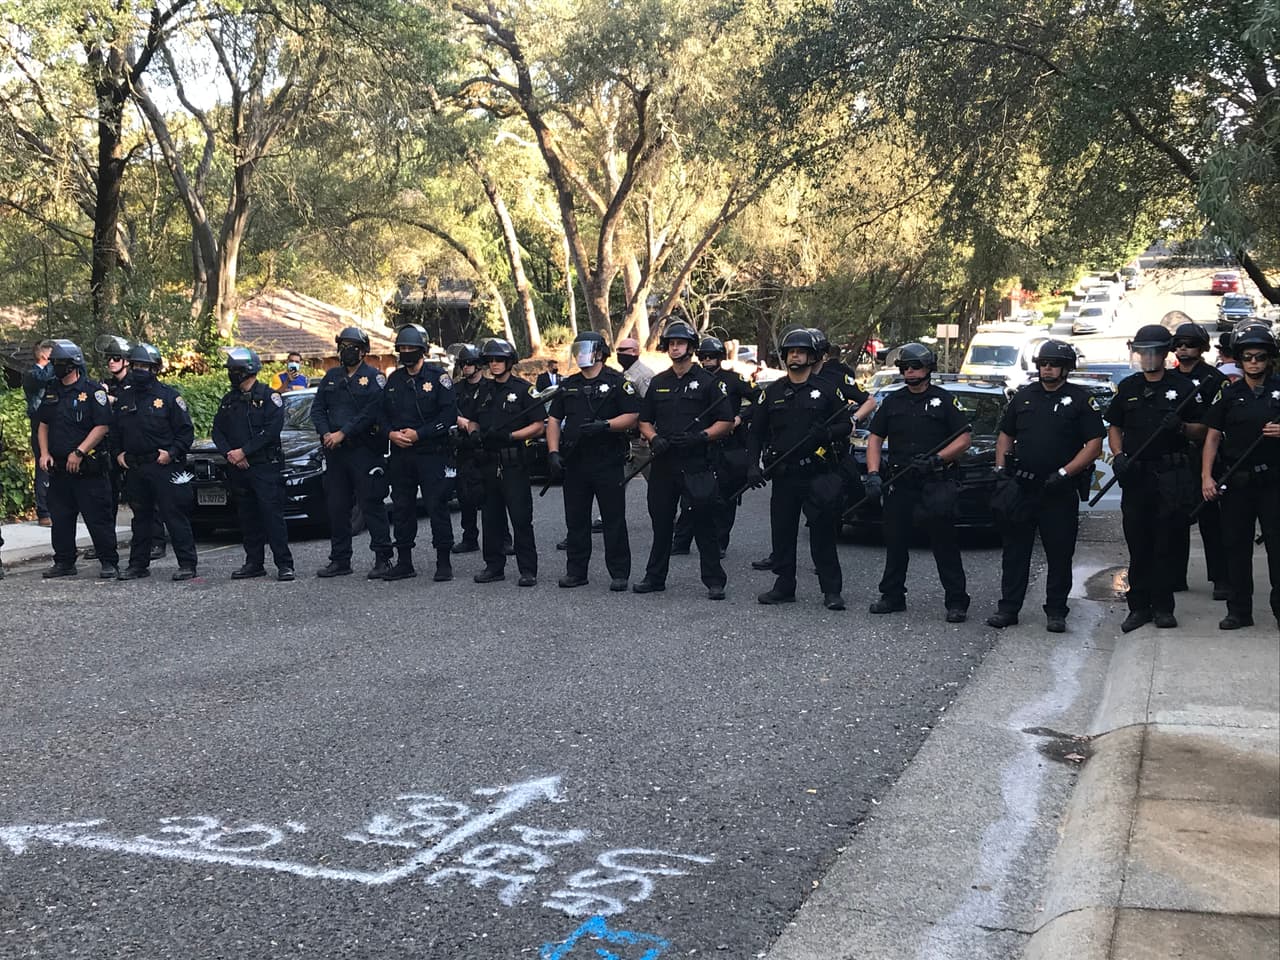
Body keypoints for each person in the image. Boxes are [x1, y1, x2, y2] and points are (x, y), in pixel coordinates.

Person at [986, 340, 1105, 632]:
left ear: (1066, 368)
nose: (1046, 368)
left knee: (1059, 553)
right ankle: (1008, 609)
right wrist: (1002, 470)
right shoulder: (1025, 397)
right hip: (1022, 487)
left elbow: (1094, 445)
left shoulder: (1079, 400)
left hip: (1058, 490)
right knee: (1015, 553)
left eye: (1052, 364)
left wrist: (1065, 472)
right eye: (1043, 364)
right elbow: (1005, 435)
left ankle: (1056, 611)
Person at [1106, 324, 1205, 631]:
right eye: (1142, 353)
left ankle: (1163, 607)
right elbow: (1114, 426)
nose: (1147, 358)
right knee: (1138, 543)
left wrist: (1181, 426)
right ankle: (1138, 607)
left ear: (1164, 353)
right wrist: (1119, 456)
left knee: (1165, 544)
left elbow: (1202, 430)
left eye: (1152, 353)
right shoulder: (1130, 387)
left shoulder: (1184, 388)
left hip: (1169, 476)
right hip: (1137, 476)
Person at [864, 342, 972, 621]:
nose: (910, 372)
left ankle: (956, 601)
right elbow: (875, 438)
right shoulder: (893, 401)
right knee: (896, 542)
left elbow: (963, 439)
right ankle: (892, 596)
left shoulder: (944, 401)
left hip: (935, 481)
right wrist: (873, 474)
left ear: (928, 368)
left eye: (916, 367)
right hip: (901, 480)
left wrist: (938, 459)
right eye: (905, 368)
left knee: (944, 543)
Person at [746, 327, 850, 610]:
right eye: (791, 351)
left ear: (812, 356)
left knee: (822, 534)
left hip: (817, 473)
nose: (795, 355)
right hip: (784, 474)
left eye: (801, 351)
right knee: (782, 533)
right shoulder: (773, 392)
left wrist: (825, 435)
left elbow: (846, 425)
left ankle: (831, 591)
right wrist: (752, 465)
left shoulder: (827, 390)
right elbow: (756, 432)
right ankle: (784, 586)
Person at [634, 318, 734, 600]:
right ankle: (654, 577)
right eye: (671, 343)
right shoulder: (659, 382)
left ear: (691, 347)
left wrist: (701, 436)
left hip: (696, 463)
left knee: (704, 523)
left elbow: (726, 421)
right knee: (661, 522)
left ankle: (715, 581)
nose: (675, 347)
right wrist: (654, 438)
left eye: (680, 343)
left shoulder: (708, 382)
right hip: (664, 462)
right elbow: (644, 421)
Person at [545, 331, 640, 591]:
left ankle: (619, 573)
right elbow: (554, 420)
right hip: (575, 462)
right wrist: (553, 452)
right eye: (578, 349)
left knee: (613, 520)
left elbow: (633, 415)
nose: (580, 354)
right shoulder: (568, 385)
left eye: (585, 349)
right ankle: (576, 572)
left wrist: (606, 426)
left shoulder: (618, 382)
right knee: (575, 520)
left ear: (599, 352)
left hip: (607, 461)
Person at [1200, 323, 1280, 630]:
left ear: (1269, 358)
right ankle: (1239, 610)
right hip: (1237, 482)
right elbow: (1212, 437)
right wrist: (1207, 477)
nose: (1254, 362)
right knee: (1235, 546)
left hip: (1274, 481)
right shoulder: (1230, 394)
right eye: (1248, 357)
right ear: (1240, 360)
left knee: (1278, 548)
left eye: (1260, 356)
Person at [310, 326, 394, 579]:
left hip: (364, 451)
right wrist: (327, 433)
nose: (347, 351)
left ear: (364, 351)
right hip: (335, 452)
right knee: (337, 507)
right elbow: (317, 409)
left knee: (371, 504)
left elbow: (370, 413)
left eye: (353, 347)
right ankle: (340, 559)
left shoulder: (375, 378)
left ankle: (383, 558)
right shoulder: (331, 377)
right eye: (343, 346)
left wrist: (343, 433)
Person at [112, 343, 199, 581]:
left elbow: (185, 433)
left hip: (164, 465)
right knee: (141, 518)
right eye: (136, 365)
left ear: (155, 369)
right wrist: (118, 453)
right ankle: (138, 565)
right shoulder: (124, 397)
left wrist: (171, 453)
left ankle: (187, 564)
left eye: (145, 366)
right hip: (135, 467)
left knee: (174, 515)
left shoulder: (169, 397)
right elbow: (115, 430)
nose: (140, 370)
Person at [461, 337, 544, 586]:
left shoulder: (523, 389)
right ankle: (494, 566)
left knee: (520, 518)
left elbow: (539, 425)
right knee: (490, 518)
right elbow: (472, 418)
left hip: (513, 463)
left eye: (499, 360)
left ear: (510, 362)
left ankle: (527, 570)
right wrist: (474, 433)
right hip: (487, 462)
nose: (494, 364)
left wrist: (511, 436)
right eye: (490, 360)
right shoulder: (483, 391)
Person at [35, 339, 119, 579]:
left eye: (59, 363)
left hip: (87, 469)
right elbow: (43, 424)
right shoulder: (52, 390)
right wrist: (44, 453)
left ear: (73, 365)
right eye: (53, 363)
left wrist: (80, 452)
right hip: (59, 468)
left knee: (98, 518)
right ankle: (64, 562)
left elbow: (102, 426)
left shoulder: (93, 392)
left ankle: (108, 562)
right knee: (60, 518)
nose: (55, 368)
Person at [212, 347, 295, 581]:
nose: (232, 374)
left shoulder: (270, 397)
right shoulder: (229, 400)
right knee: (247, 517)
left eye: (235, 370)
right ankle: (254, 563)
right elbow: (217, 431)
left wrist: (244, 451)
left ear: (248, 371)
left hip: (264, 467)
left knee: (272, 516)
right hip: (238, 468)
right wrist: (230, 453)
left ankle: (284, 564)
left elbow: (271, 432)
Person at [383, 324, 457, 582]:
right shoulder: (393, 380)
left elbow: (448, 415)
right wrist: (390, 433)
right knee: (402, 507)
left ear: (422, 350)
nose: (406, 353)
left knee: (436, 505)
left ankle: (443, 561)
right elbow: (381, 415)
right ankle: (404, 561)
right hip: (401, 454)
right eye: (402, 349)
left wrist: (420, 434)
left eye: (411, 349)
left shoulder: (439, 378)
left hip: (430, 452)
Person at [671, 336, 758, 556]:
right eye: (704, 356)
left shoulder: (734, 379)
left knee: (725, 498)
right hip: (697, 444)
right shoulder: (695, 379)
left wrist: (740, 418)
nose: (708, 360)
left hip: (728, 445)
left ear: (720, 358)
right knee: (690, 495)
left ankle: (719, 543)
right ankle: (681, 542)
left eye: (712, 356)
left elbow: (760, 399)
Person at [1168, 319, 1228, 599]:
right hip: (1176, 459)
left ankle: (1220, 578)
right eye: (1178, 344)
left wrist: (1184, 428)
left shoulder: (1214, 379)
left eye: (1190, 344)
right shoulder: (1168, 378)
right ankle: (1176, 576)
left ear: (1202, 348)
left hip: (1207, 456)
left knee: (1211, 522)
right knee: (1176, 518)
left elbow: (1215, 425)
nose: (1183, 349)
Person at [450, 344, 488, 555]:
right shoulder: (456, 390)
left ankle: (503, 539)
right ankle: (469, 537)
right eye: (462, 363)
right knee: (465, 496)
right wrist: (459, 419)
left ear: (479, 365)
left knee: (492, 496)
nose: (465, 367)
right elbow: (446, 411)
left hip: (486, 446)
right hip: (464, 449)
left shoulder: (490, 387)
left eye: (470, 363)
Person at [22, 340, 55, 526]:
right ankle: (44, 511)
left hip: (54, 421)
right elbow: (44, 378)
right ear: (44, 355)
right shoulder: (32, 373)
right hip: (39, 422)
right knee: (43, 464)